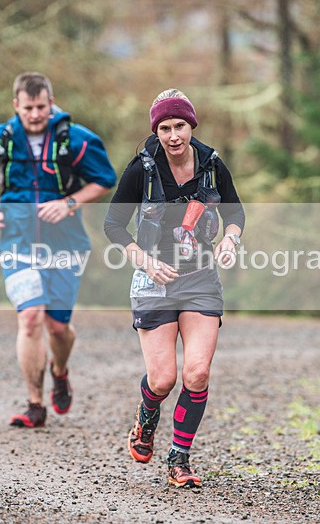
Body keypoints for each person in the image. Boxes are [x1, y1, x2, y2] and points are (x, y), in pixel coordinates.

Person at [103, 89, 245, 487]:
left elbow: (235, 212)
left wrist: (231, 239)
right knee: (163, 379)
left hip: (200, 277)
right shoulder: (141, 171)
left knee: (197, 373)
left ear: (191, 125)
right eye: (164, 128)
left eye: (179, 125)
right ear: (157, 131)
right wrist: (144, 260)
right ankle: (147, 419)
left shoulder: (212, 166)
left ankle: (179, 459)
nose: (173, 135)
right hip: (153, 280)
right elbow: (112, 225)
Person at [0, 72, 116, 428]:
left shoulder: (75, 139)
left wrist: (69, 202)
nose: (35, 114)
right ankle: (34, 404)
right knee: (30, 317)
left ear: (51, 103)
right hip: (17, 240)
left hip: (64, 242)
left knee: (57, 327)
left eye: (41, 107)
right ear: (15, 105)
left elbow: (104, 179)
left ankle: (60, 370)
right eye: (28, 108)